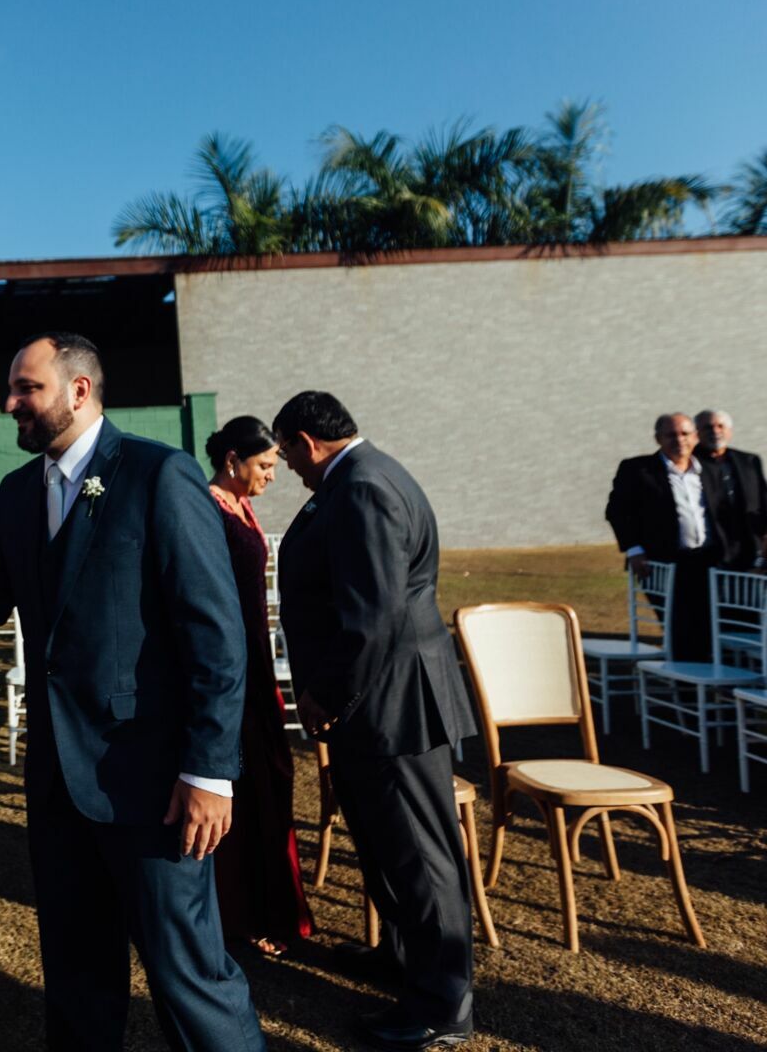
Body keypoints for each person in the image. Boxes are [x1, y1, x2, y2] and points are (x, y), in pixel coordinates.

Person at [0, 332, 263, 1051]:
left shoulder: (157, 476)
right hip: (55, 784)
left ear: (79, 391)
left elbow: (217, 637)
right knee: (76, 980)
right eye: (12, 388)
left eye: (27, 388)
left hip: (152, 786)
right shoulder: (19, 494)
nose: (11, 402)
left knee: (189, 978)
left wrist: (209, 772)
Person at [273, 392, 476, 1051]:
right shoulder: (366, 475)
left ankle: (443, 1007)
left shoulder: (362, 487)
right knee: (387, 844)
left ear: (306, 441)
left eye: (287, 454)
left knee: (419, 854)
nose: (290, 469)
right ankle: (402, 957)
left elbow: (374, 614)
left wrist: (326, 694)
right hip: (379, 701)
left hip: (392, 701)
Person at [202, 415, 314, 958]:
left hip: (258, 661)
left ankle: (275, 902)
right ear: (232, 461)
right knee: (244, 785)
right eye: (265, 465)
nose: (273, 474)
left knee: (272, 777)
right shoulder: (207, 511)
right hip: (232, 667)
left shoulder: (242, 506)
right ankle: (242, 912)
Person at [604, 414, 726, 662]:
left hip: (707, 561)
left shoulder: (708, 470)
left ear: (695, 437)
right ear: (658, 438)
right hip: (661, 563)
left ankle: (702, 686)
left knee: (708, 625)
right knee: (678, 625)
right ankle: (686, 690)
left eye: (684, 434)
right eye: (671, 435)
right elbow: (617, 511)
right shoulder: (638, 470)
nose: (678, 440)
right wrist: (634, 549)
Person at [694, 409, 767, 571]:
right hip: (713, 546)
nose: (715, 431)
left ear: (729, 431)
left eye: (720, 426)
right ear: (697, 433)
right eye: (708, 427)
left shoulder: (749, 460)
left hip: (749, 542)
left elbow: (764, 500)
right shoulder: (691, 463)